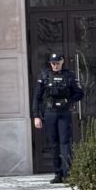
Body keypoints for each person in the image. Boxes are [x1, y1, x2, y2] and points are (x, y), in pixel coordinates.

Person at [32, 53, 84, 183]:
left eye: (57, 63)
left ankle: (68, 173)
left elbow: (79, 93)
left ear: (62, 62)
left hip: (64, 113)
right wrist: (36, 116)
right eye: (53, 63)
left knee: (65, 142)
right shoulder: (44, 76)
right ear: (50, 63)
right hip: (50, 113)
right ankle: (58, 173)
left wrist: (69, 101)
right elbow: (37, 98)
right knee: (54, 144)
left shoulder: (69, 76)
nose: (55, 65)